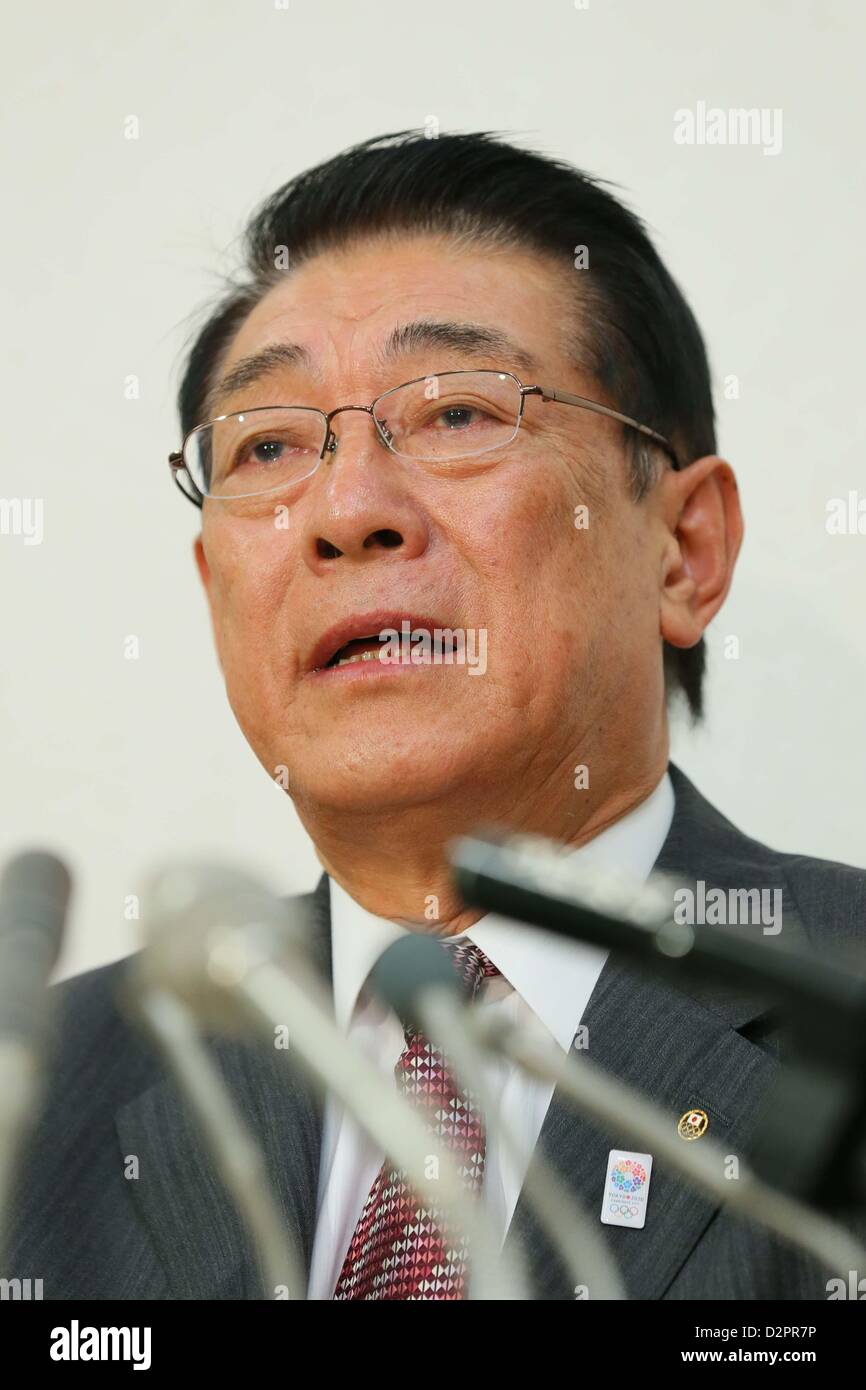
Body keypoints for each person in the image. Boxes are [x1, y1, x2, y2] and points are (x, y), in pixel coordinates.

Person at [6, 130, 864, 1300]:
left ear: (682, 549)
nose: (345, 509)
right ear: (214, 591)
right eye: (267, 444)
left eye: (458, 412)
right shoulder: (41, 1097)